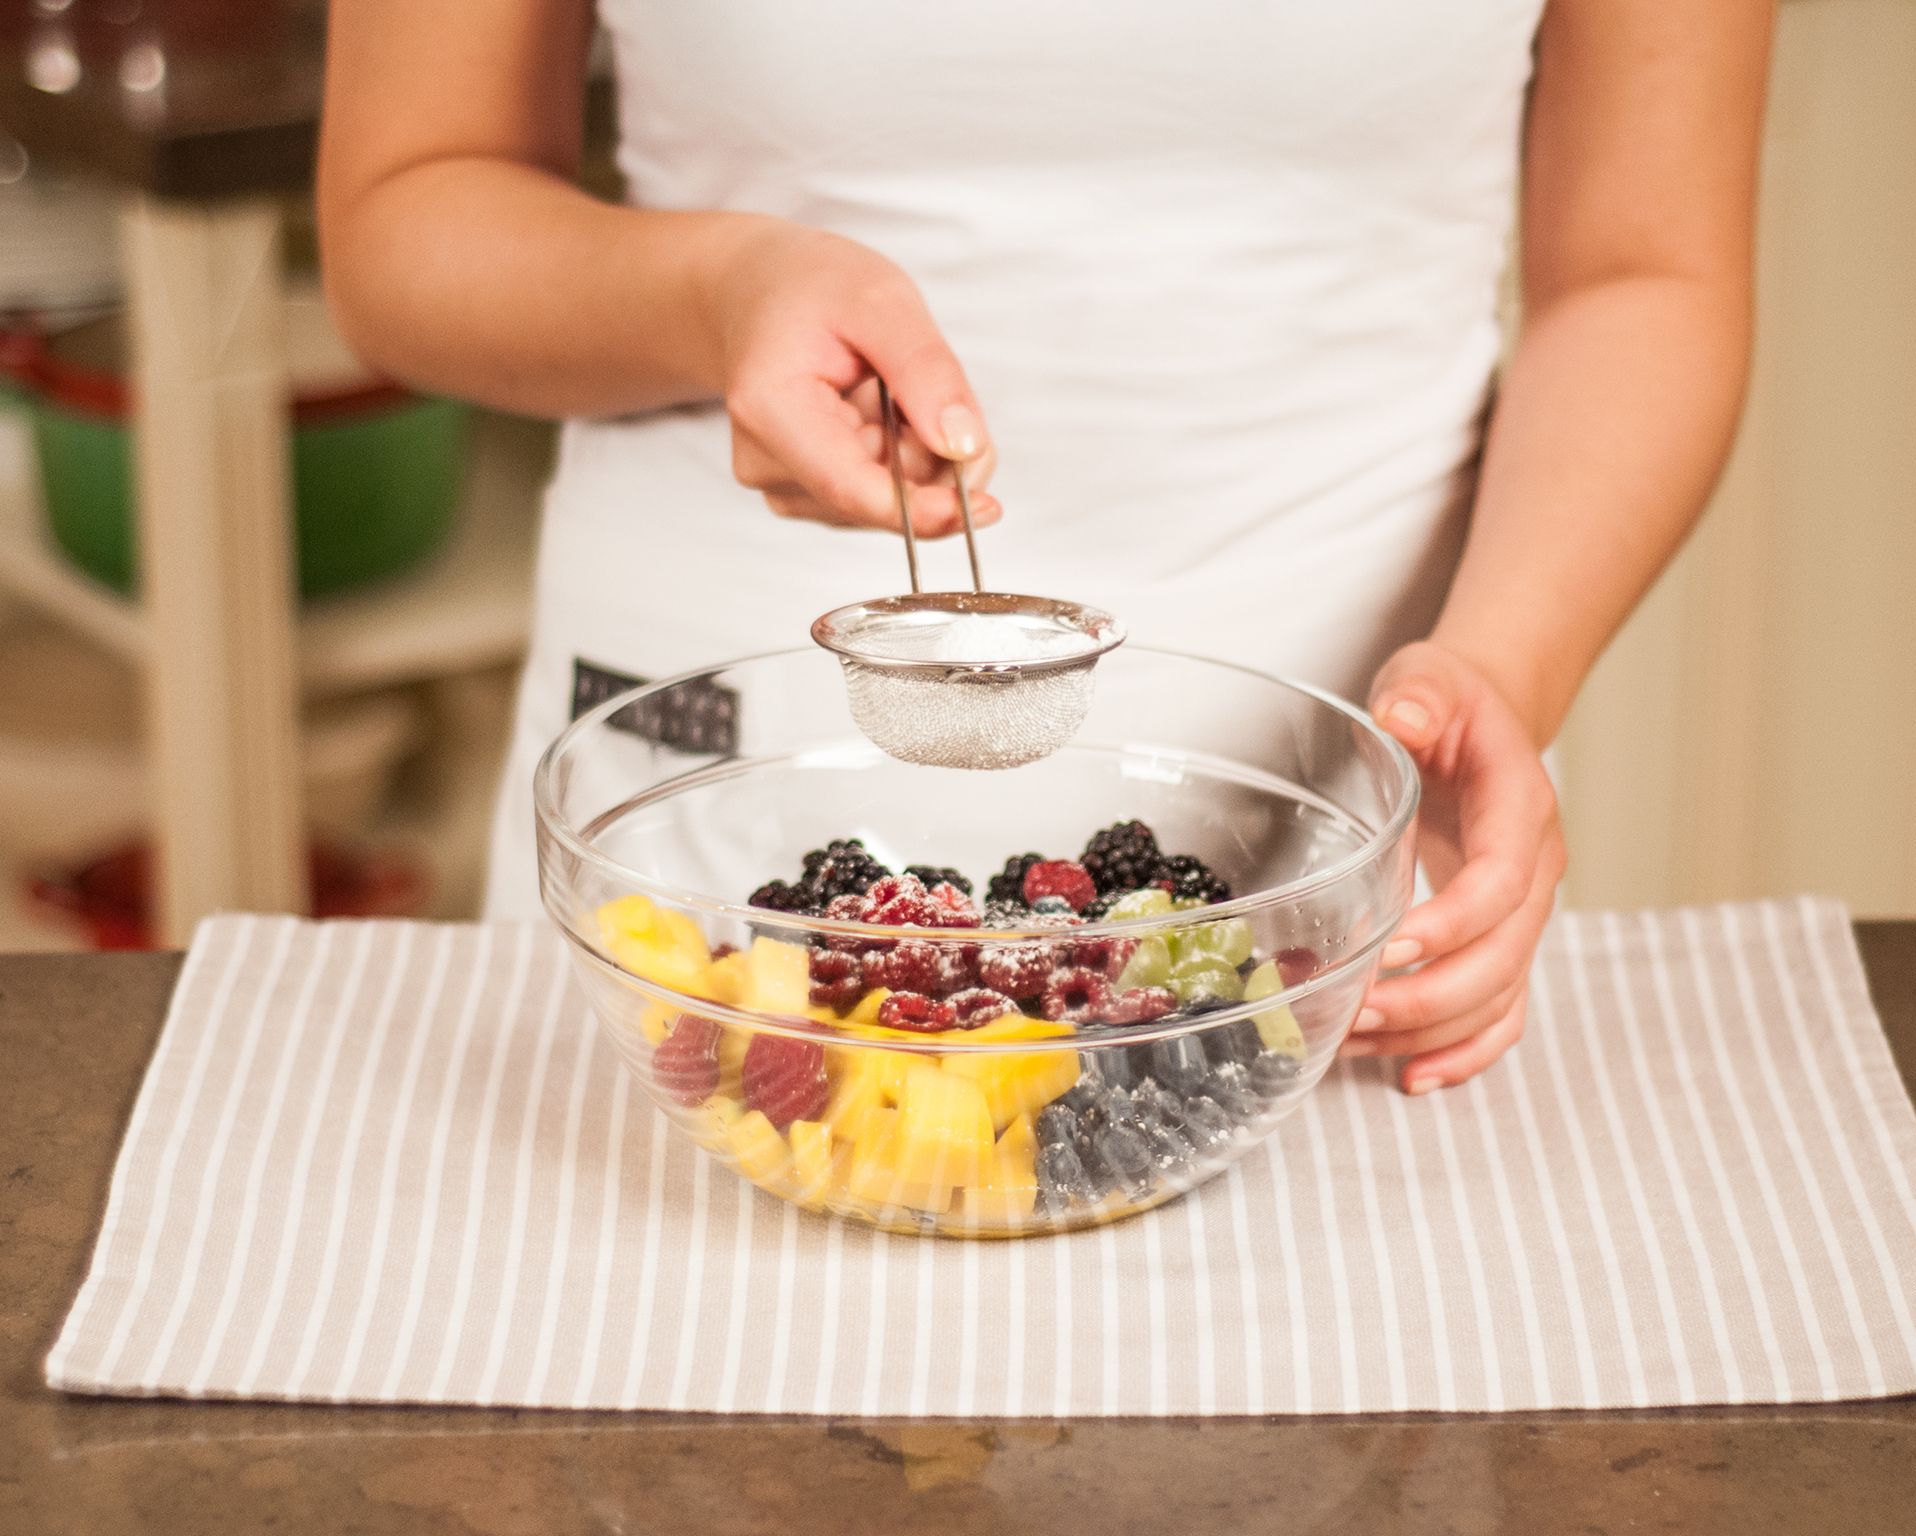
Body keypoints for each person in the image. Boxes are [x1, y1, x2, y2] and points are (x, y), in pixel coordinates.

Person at [318, 1, 1771, 1095]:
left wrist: (1500, 673)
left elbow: (1643, 270)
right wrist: (717, 292)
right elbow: (405, 216)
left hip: (1348, 834)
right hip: (718, 801)